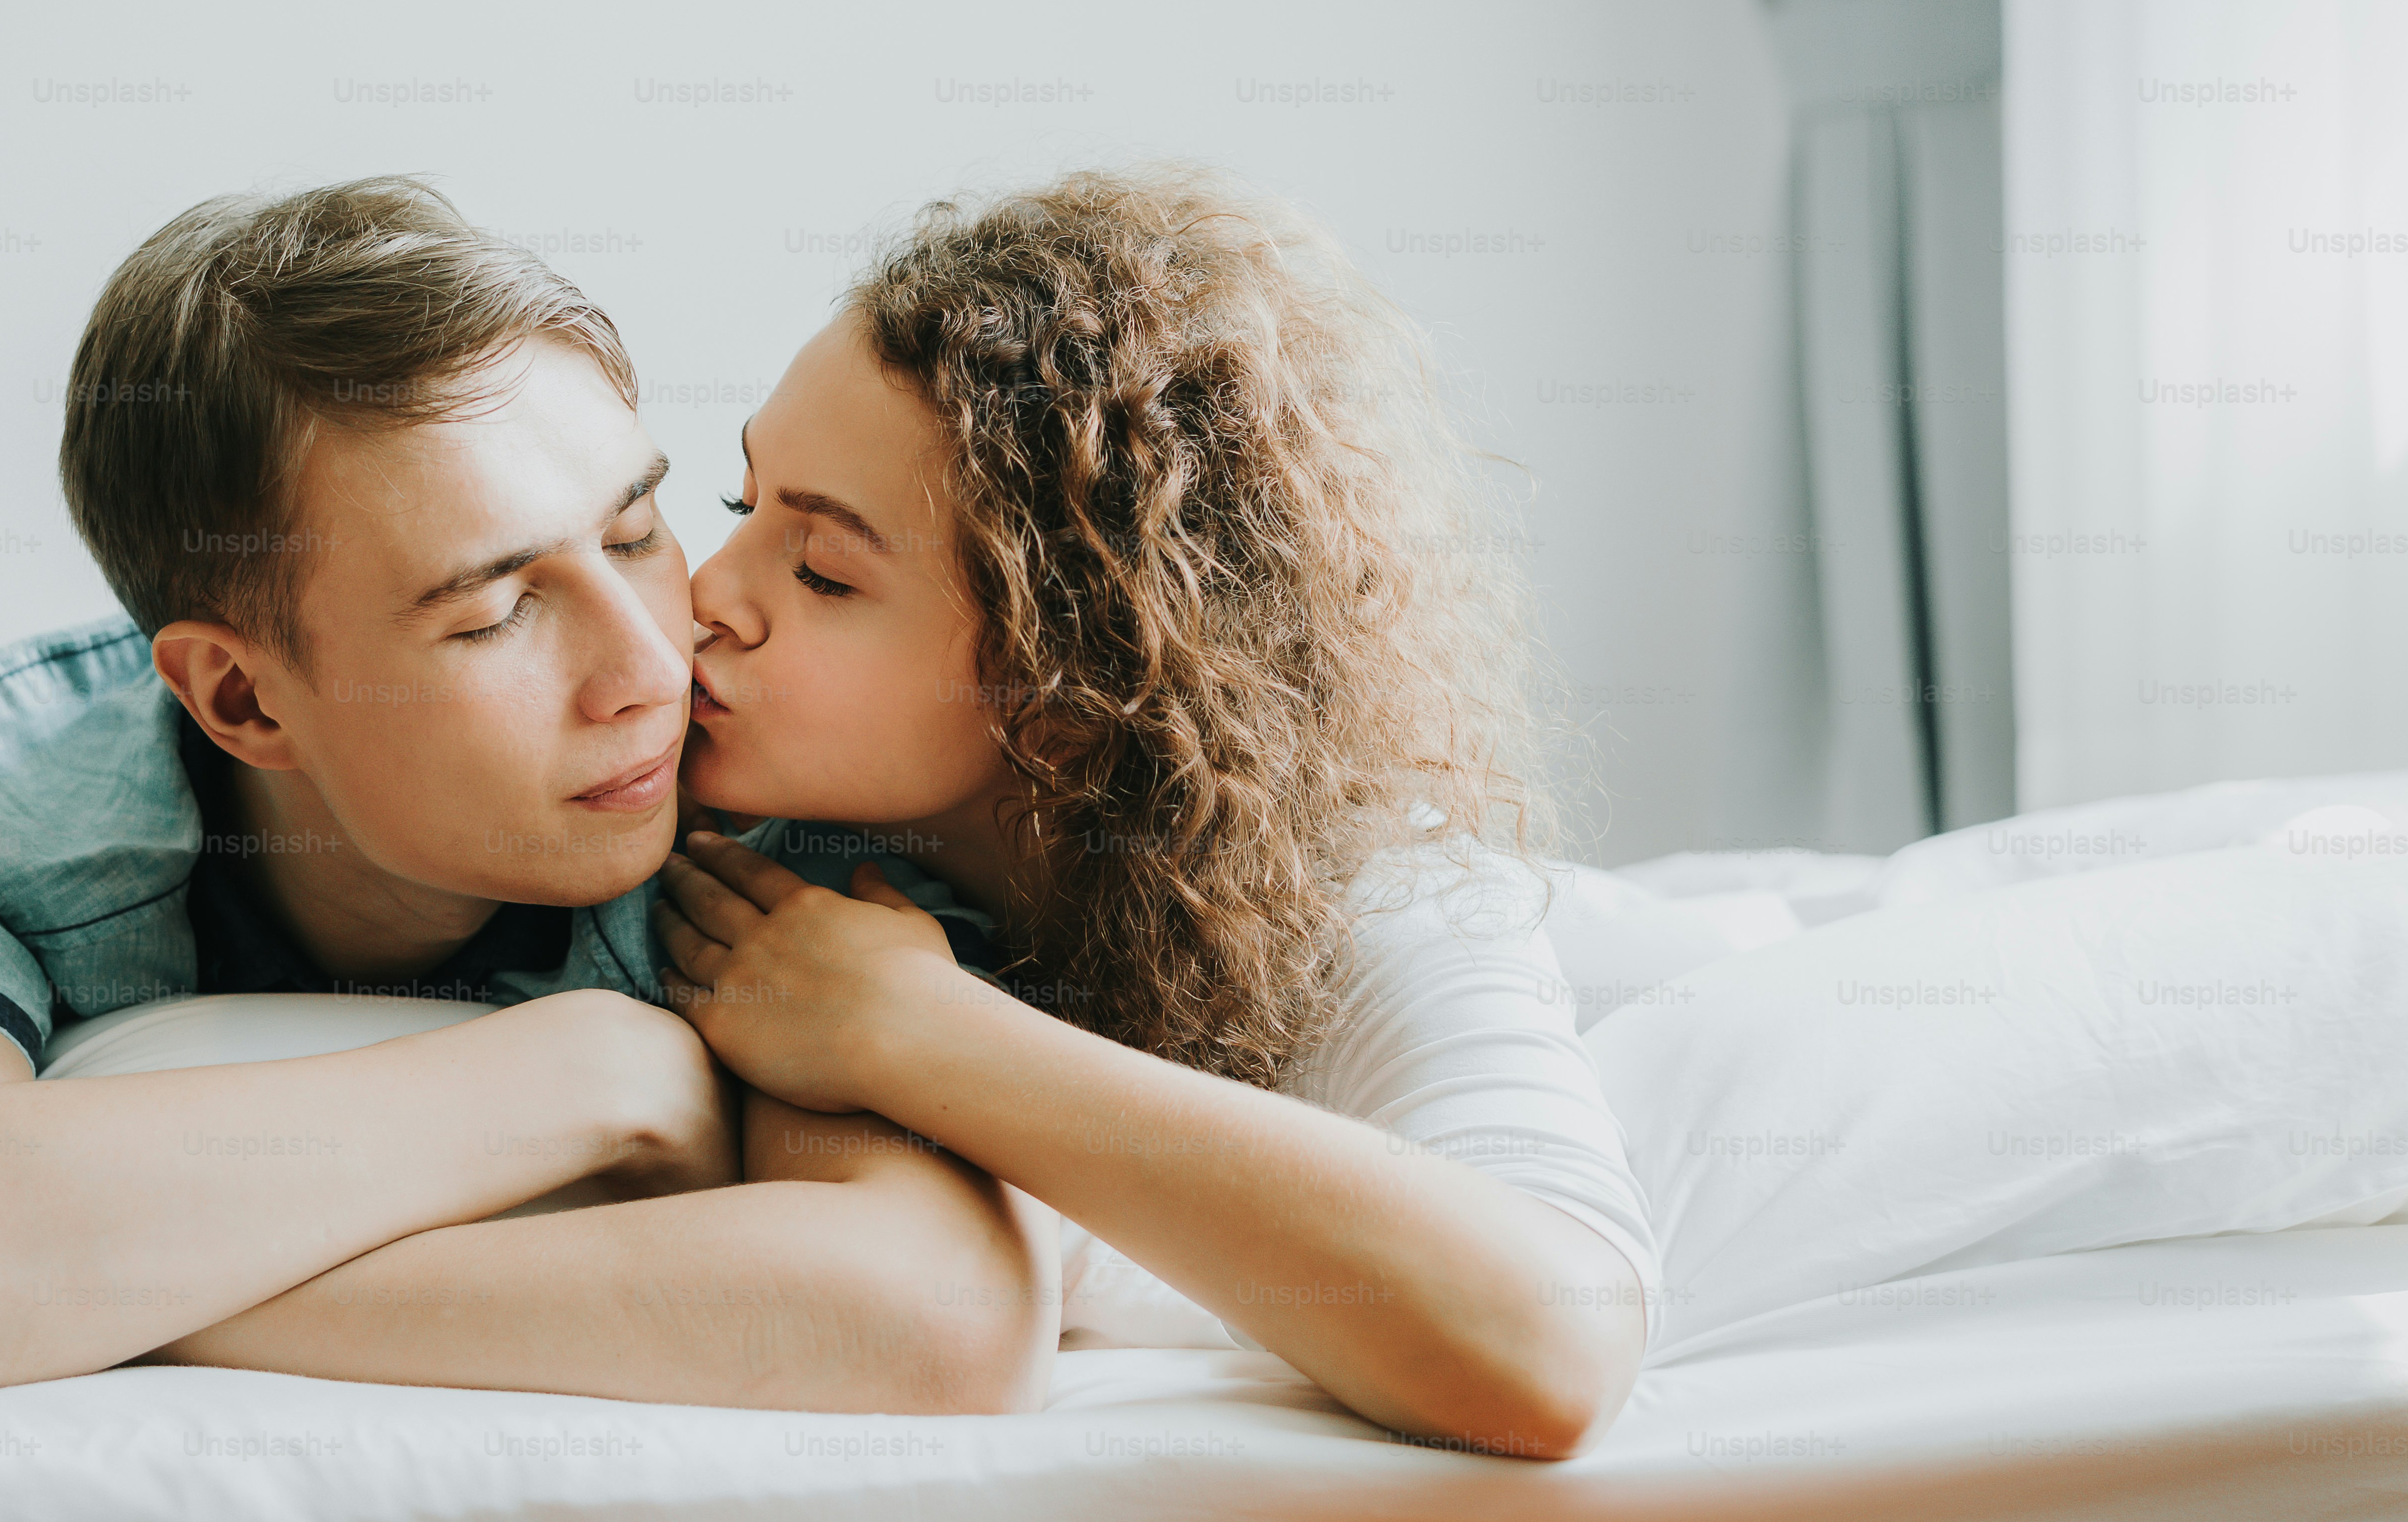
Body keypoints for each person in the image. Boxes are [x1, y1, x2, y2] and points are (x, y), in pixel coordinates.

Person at [0, 177, 1050, 1410]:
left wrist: (71, 1295)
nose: (654, 661)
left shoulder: (760, 799)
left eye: (640, 528)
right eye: (495, 613)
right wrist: (604, 1075)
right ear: (243, 697)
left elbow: (930, 1325)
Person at [654, 167, 1657, 1457]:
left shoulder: (1371, 902)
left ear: (1069, 693)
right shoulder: (762, 852)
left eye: (825, 571)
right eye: (741, 507)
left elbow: (1553, 1353)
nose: (702, 597)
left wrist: (910, 1026)